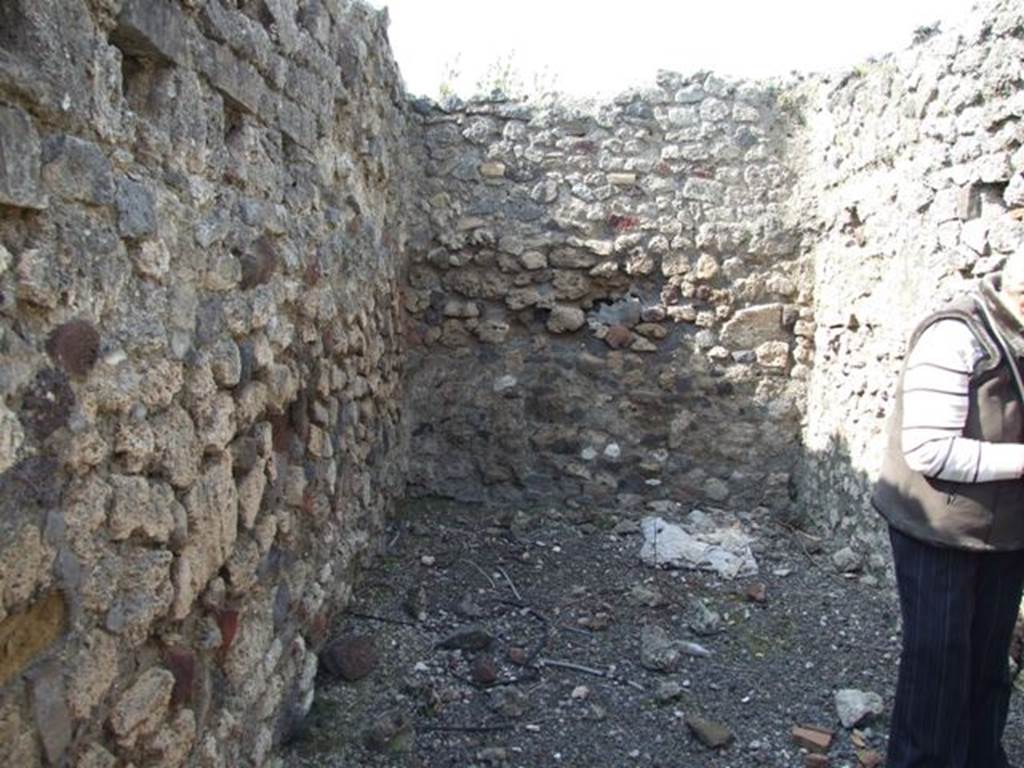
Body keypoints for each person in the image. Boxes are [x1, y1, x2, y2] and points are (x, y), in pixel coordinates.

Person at [872, 248, 1024, 767]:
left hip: (1007, 530)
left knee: (987, 662)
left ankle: (982, 758)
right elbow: (928, 449)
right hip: (938, 527)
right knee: (939, 665)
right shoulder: (956, 335)